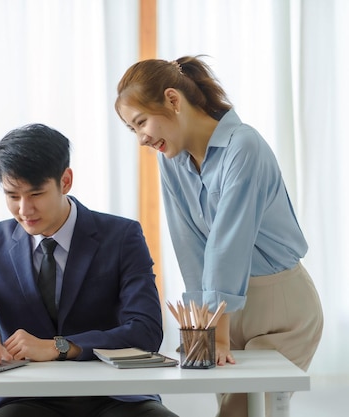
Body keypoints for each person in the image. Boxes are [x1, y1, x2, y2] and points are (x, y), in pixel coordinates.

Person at [115, 56, 324, 416]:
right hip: (224, 312)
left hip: (281, 307)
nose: (141, 139)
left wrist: (217, 331)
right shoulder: (171, 161)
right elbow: (190, 246)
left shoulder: (244, 146)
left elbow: (229, 243)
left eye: (141, 122)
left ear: (173, 100)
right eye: (133, 130)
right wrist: (203, 328)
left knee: (237, 413)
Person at [0, 123, 179, 417]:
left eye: (35, 194)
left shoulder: (121, 236)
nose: (24, 209)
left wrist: (62, 347)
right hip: (26, 397)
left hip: (116, 394)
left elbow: (146, 331)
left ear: (66, 181)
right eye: (12, 196)